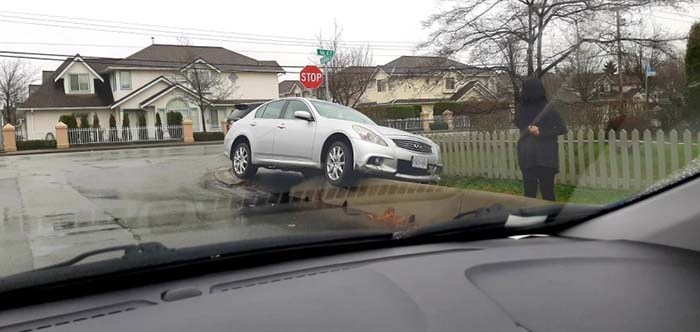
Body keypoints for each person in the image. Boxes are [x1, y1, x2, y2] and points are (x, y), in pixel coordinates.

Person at [515, 79, 567, 201]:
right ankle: (550, 218)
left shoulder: (543, 108)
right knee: (545, 193)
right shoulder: (523, 108)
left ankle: (530, 218)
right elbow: (562, 129)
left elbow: (562, 128)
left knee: (531, 194)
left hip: (539, 156)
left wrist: (540, 132)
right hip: (536, 156)